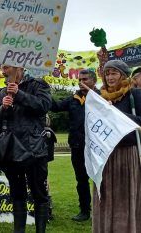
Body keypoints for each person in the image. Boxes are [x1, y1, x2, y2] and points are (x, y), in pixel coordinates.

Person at [0, 65, 52, 232]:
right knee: (17, 194)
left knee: (39, 192)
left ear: (18, 67)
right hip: (11, 149)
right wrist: (2, 108)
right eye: (2, 67)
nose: (3, 71)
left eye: (6, 67)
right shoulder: (2, 92)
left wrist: (20, 94)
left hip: (35, 149)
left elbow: (44, 106)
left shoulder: (38, 85)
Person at [93, 60, 141, 232]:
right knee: (105, 196)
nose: (110, 77)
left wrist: (115, 112)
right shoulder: (99, 96)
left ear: (123, 75)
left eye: (114, 73)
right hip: (105, 155)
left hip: (126, 154)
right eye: (107, 74)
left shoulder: (134, 95)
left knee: (123, 197)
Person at [51, 69, 98, 221]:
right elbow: (56, 106)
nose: (81, 82)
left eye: (85, 79)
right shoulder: (73, 98)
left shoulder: (102, 97)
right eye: (80, 79)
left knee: (102, 179)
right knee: (81, 179)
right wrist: (44, 91)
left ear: (94, 81)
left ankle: (103, 211)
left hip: (98, 147)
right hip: (78, 146)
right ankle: (85, 211)